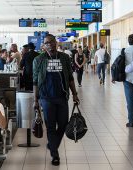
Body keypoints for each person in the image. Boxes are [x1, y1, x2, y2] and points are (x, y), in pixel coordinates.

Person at [33, 34, 79, 166]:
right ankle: (55, 154)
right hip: (46, 98)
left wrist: (75, 94)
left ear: (56, 43)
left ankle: (52, 145)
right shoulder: (39, 60)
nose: (49, 45)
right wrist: (36, 100)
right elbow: (35, 81)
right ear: (43, 45)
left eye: (51, 42)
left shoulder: (64, 57)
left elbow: (70, 77)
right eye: (46, 43)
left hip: (62, 97)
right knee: (51, 127)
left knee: (64, 124)